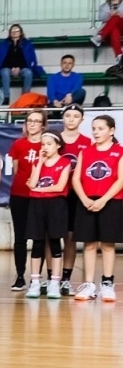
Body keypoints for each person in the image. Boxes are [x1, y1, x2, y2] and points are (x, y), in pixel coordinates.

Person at [72, 114, 123, 302]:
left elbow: (121, 179)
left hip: (111, 201)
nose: (96, 132)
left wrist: (104, 199)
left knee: (108, 244)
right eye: (94, 128)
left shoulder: (120, 152)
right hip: (87, 201)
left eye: (101, 128)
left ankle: (108, 284)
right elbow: (76, 178)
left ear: (111, 131)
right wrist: (84, 198)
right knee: (89, 244)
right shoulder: (85, 152)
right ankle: (89, 285)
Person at [23, 132, 72, 300]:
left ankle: (54, 283)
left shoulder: (65, 163)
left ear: (58, 145)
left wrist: (37, 189)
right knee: (37, 243)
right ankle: (35, 281)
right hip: (37, 206)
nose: (44, 147)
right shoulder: (37, 163)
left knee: (55, 243)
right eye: (42, 144)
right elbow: (33, 183)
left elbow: (59, 187)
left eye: (49, 144)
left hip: (56, 205)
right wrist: (40, 163)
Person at [6, 110, 46, 292]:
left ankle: (36, 278)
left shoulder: (48, 145)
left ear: (43, 125)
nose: (32, 124)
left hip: (40, 197)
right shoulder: (18, 144)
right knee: (20, 237)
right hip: (20, 195)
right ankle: (20, 275)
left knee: (39, 237)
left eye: (37, 121)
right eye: (30, 120)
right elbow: (16, 170)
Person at [55, 105, 93, 294]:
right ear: (63, 118)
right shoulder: (53, 139)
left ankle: (66, 278)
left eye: (75, 116)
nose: (71, 119)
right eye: (68, 115)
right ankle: (50, 277)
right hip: (54, 194)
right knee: (51, 236)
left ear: (82, 120)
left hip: (75, 194)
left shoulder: (87, 142)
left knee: (70, 237)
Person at [0, 24, 40, 106]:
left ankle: (25, 97)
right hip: (7, 68)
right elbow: (1, 60)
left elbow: (29, 59)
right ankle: (6, 97)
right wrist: (12, 67)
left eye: (17, 31)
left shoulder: (27, 44)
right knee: (5, 72)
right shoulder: (3, 44)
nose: (14, 32)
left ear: (21, 32)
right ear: (10, 33)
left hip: (22, 68)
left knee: (28, 73)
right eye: (12, 31)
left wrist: (19, 68)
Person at [95, 0, 123, 77]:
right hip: (112, 29)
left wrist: (120, 15)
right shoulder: (103, 6)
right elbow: (101, 18)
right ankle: (119, 56)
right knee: (114, 29)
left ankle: (100, 36)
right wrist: (109, 15)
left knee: (116, 17)